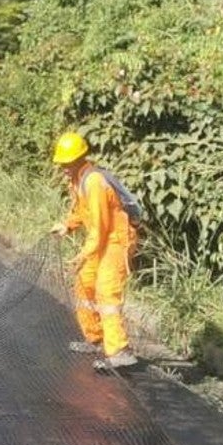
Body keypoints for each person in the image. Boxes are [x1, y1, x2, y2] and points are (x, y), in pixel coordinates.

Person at [49, 132, 139, 369]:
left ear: (79, 159)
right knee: (84, 284)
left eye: (66, 164)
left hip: (115, 241)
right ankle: (95, 337)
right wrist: (67, 225)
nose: (63, 168)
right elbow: (81, 211)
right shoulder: (78, 180)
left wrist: (82, 255)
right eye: (61, 164)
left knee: (106, 292)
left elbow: (100, 228)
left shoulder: (94, 182)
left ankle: (119, 350)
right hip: (100, 240)